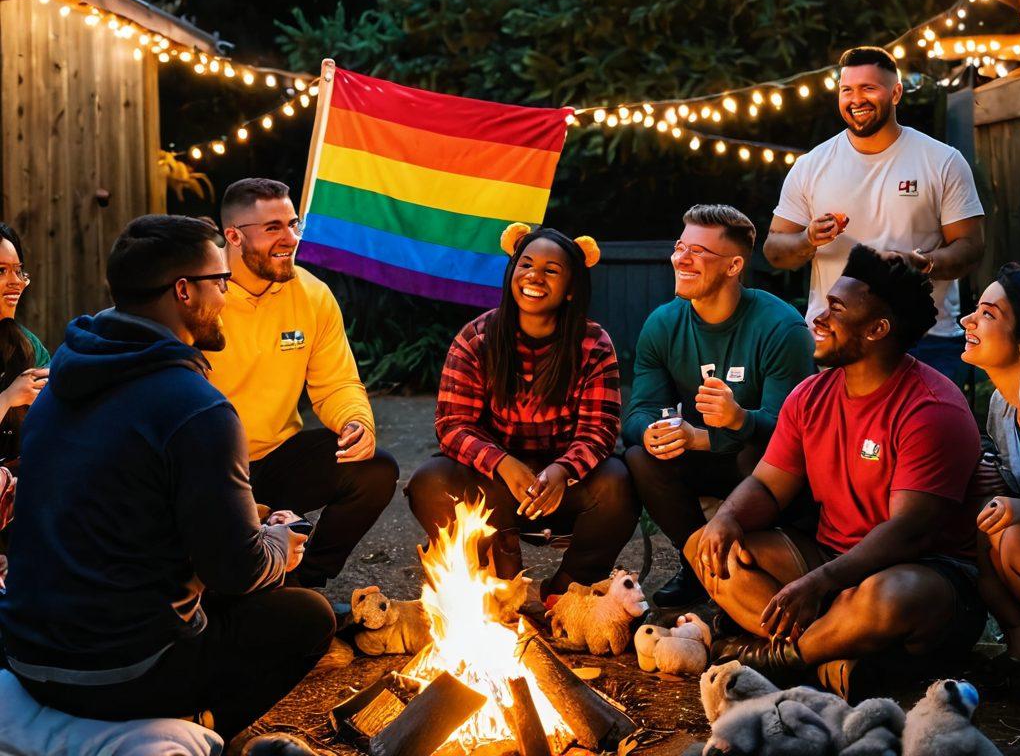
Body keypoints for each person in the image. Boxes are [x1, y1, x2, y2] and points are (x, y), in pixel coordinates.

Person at [0, 215, 334, 743]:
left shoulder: (65, 373)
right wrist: (277, 546)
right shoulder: (196, 408)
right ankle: (196, 729)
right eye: (220, 281)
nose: (227, 296)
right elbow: (235, 570)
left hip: (26, 654)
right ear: (183, 290)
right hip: (119, 674)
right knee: (306, 615)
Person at [686, 245, 984, 700]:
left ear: (877, 329)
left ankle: (780, 658)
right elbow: (768, 484)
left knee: (890, 597)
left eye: (836, 310)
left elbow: (908, 533)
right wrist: (728, 518)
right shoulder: (810, 395)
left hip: (923, 576)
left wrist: (820, 583)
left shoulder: (931, 408)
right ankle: (838, 654)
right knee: (707, 546)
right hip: (829, 561)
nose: (818, 319)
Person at [406, 223, 638, 599]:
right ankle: (496, 570)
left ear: (571, 289)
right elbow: (453, 425)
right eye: (526, 265)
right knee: (430, 480)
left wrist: (561, 470)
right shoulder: (476, 338)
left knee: (618, 483)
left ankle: (566, 592)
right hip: (493, 481)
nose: (534, 276)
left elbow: (600, 431)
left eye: (551, 270)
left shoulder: (593, 343)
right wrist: (503, 463)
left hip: (564, 485)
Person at [206, 178, 398, 590]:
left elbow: (337, 383)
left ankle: (303, 585)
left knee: (375, 469)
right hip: (207, 469)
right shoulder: (202, 296)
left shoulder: (313, 294)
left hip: (276, 458)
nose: (290, 238)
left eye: (293, 224)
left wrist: (355, 421)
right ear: (233, 236)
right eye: (273, 228)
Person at [622, 205, 816, 608]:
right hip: (705, 457)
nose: (682, 258)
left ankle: (757, 566)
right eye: (680, 247)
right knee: (641, 456)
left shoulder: (782, 327)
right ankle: (699, 566)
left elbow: (793, 433)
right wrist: (652, 432)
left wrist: (739, 419)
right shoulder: (663, 324)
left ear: (733, 266)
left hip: (765, 468)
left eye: (699, 251)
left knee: (751, 452)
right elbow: (638, 412)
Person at [764, 45, 984, 386]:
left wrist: (922, 264)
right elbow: (774, 250)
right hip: (839, 338)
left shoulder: (942, 160)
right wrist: (808, 239)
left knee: (927, 438)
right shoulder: (811, 166)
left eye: (869, 88)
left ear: (896, 92)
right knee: (843, 440)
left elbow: (970, 247)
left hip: (925, 338)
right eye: (847, 90)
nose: (856, 99)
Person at [961, 263, 1020, 685]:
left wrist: (1018, 505)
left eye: (988, 314)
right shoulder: (1003, 406)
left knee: (1012, 537)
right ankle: (1019, 652)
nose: (968, 319)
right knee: (990, 526)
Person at [0, 223, 50, 473]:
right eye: (1, 271)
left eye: (18, 271)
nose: (16, 283)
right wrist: (8, 397)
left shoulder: (27, 344)